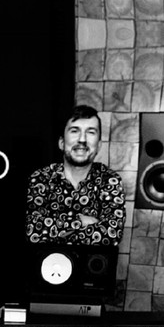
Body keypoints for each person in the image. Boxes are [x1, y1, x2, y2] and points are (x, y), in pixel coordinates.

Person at [25, 104, 125, 245]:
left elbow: (112, 234)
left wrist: (55, 228)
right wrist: (81, 221)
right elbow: (33, 232)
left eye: (91, 132)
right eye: (74, 131)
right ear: (61, 143)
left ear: (99, 145)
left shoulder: (109, 180)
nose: (82, 139)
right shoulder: (41, 178)